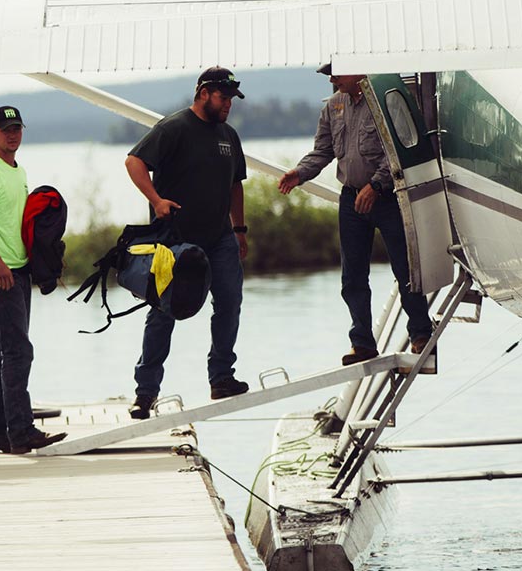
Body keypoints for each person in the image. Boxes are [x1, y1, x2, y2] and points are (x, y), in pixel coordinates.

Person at [279, 64, 434, 363]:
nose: (331, 78)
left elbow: (404, 150)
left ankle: (420, 333)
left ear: (358, 70)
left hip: (389, 198)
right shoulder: (334, 105)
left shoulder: (388, 99)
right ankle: (362, 342)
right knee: (352, 277)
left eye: (336, 72)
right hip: (351, 199)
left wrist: (376, 185)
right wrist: (300, 173)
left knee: (405, 269)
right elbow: (322, 150)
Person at [124, 67, 250, 419]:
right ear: (204, 93)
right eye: (223, 98)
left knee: (230, 301)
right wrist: (156, 200)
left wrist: (239, 230)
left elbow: (235, 184)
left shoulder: (229, 135)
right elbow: (134, 162)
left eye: (231, 100)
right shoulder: (174, 127)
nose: (228, 105)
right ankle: (145, 393)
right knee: (163, 311)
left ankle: (221, 376)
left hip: (220, 238)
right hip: (175, 241)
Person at [0, 106, 67, 454]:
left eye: (17, 127)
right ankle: (21, 433)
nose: (12, 134)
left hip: (18, 271)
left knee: (4, 350)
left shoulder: (17, 171)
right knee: (19, 350)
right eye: (5, 129)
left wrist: (43, 256)